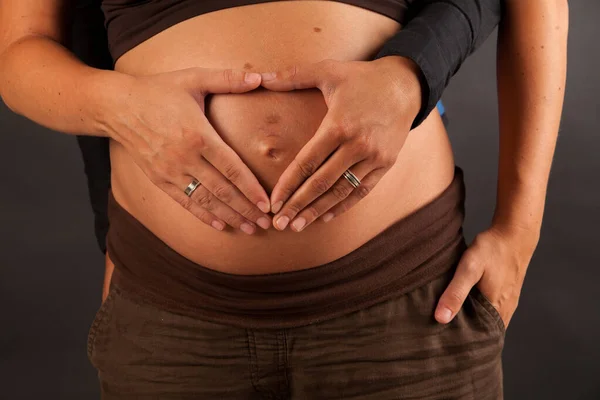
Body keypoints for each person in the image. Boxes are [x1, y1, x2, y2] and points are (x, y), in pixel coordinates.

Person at [0, 1, 568, 399]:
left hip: (407, 306)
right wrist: (122, 107)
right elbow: (20, 52)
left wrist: (520, 231)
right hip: (171, 317)